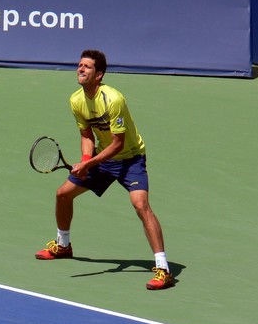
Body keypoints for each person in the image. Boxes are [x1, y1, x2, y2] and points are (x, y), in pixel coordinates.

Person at [35, 49, 174, 290]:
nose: (80, 69)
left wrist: (88, 164)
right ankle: (63, 245)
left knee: (141, 205)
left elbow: (118, 143)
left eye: (86, 67)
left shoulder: (114, 99)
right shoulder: (76, 100)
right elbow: (87, 135)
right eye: (79, 65)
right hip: (102, 159)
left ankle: (163, 269)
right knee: (62, 194)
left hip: (131, 159)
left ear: (98, 75)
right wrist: (85, 158)